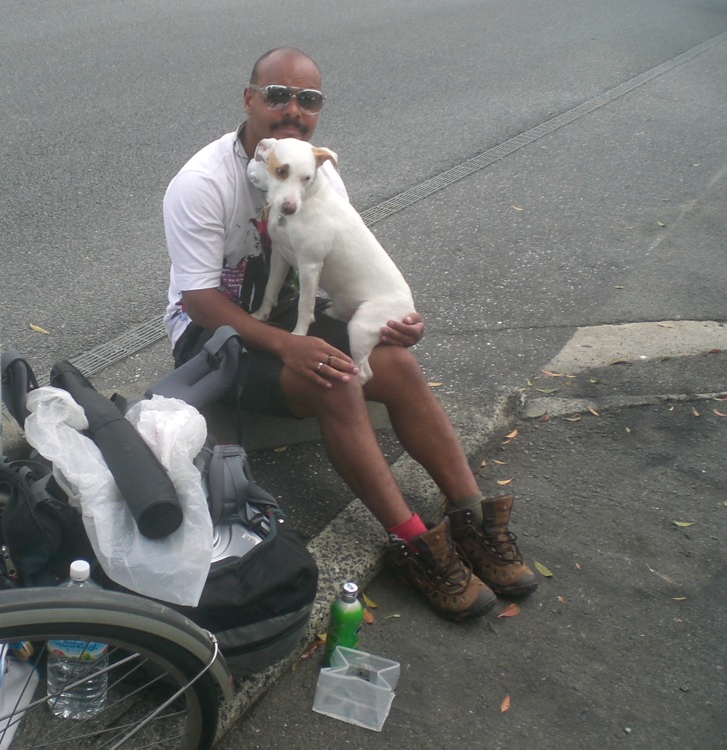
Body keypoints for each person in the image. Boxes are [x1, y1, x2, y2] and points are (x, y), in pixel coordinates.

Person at [162, 47, 536, 621]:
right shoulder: (200, 184)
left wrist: (388, 316)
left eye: (307, 99)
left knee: (399, 363)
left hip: (289, 313)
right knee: (336, 382)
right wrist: (290, 344)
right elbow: (198, 300)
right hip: (211, 338)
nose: (293, 109)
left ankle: (469, 514)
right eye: (277, 95)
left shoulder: (317, 168)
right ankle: (414, 541)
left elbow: (337, 256)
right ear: (249, 99)